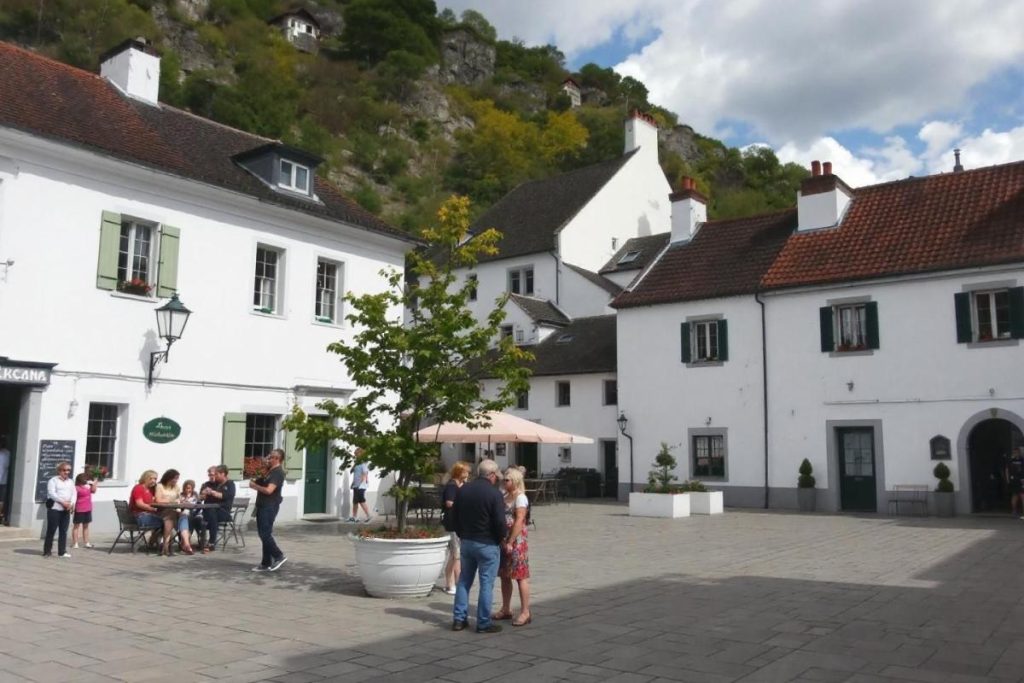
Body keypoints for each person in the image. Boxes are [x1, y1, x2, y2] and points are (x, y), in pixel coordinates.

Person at [451, 459, 506, 634]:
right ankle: (483, 622)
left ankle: (459, 620)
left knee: (464, 581)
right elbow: (500, 522)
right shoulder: (494, 494)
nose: (497, 479)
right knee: (486, 584)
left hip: (467, 541)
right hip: (487, 543)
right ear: (491, 475)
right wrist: (500, 539)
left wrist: (462, 534)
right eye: (496, 475)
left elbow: (455, 516)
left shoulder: (463, 490)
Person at [494, 467, 532, 626]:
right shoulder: (505, 495)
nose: (504, 482)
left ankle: (525, 611)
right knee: (504, 575)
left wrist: (510, 541)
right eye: (504, 479)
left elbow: (519, 520)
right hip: (504, 539)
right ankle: (506, 608)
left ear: (515, 481)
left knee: (520, 575)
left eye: (507, 480)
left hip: (516, 541)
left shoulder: (520, 498)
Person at [249, 449, 287, 571]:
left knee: (264, 534)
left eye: (271, 457)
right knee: (264, 534)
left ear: (277, 459)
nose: (268, 458)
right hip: (262, 505)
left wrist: (255, 486)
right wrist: (259, 472)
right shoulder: (269, 471)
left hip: (269, 506)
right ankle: (266, 563)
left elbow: (269, 490)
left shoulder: (277, 472)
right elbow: (259, 480)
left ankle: (278, 555)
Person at [441, 461, 470, 595]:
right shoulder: (452, 486)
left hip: (460, 523)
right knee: (455, 554)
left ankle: (454, 582)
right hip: (452, 523)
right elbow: (449, 503)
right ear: (459, 472)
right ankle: (452, 583)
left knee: (456, 554)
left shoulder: (462, 485)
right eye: (465, 472)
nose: (468, 474)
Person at [154, 469, 194, 556]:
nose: (176, 480)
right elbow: (158, 500)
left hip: (174, 510)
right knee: (170, 517)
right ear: (169, 477)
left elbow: (178, 499)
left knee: (183, 516)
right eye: (175, 478)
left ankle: (186, 544)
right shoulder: (160, 486)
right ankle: (165, 546)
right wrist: (171, 501)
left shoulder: (176, 487)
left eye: (177, 479)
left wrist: (179, 502)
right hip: (162, 511)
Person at [42, 461, 76, 557]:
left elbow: (74, 494)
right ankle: (47, 551)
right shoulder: (53, 481)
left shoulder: (70, 481)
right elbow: (52, 494)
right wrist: (63, 502)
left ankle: (62, 551)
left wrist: (71, 503)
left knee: (63, 530)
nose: (66, 472)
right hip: (55, 508)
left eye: (68, 470)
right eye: (64, 470)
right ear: (59, 471)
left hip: (66, 509)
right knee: (51, 530)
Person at [201, 465, 235, 554]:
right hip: (212, 512)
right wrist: (204, 493)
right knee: (198, 517)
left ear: (223, 474)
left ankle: (211, 542)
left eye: (216, 474)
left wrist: (212, 492)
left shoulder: (230, 484)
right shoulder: (217, 484)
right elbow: (203, 497)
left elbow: (225, 496)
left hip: (224, 512)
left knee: (211, 515)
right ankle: (202, 542)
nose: (214, 476)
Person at [71, 473, 97, 549]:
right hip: (79, 509)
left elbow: (94, 491)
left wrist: (94, 483)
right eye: (86, 479)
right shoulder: (76, 488)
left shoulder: (88, 487)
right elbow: (73, 497)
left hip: (88, 508)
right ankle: (75, 543)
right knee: (76, 526)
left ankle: (86, 542)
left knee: (86, 526)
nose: (87, 480)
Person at [348, 451, 371, 523]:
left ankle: (369, 516)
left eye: (357, 455)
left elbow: (364, 474)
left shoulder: (363, 464)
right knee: (355, 501)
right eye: (355, 455)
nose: (355, 456)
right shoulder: (357, 464)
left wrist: (360, 484)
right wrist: (353, 483)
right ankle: (354, 517)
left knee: (361, 500)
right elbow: (355, 474)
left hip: (361, 486)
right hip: (356, 485)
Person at [1008, 447, 1024, 518]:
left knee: (1017, 495)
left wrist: (1008, 480)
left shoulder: (1012, 460)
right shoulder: (1020, 460)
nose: (1017, 453)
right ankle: (1015, 511)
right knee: (1019, 495)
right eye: (1016, 452)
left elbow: (1006, 470)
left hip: (1017, 480)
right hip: (1018, 480)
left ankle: (1015, 512)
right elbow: (1007, 470)